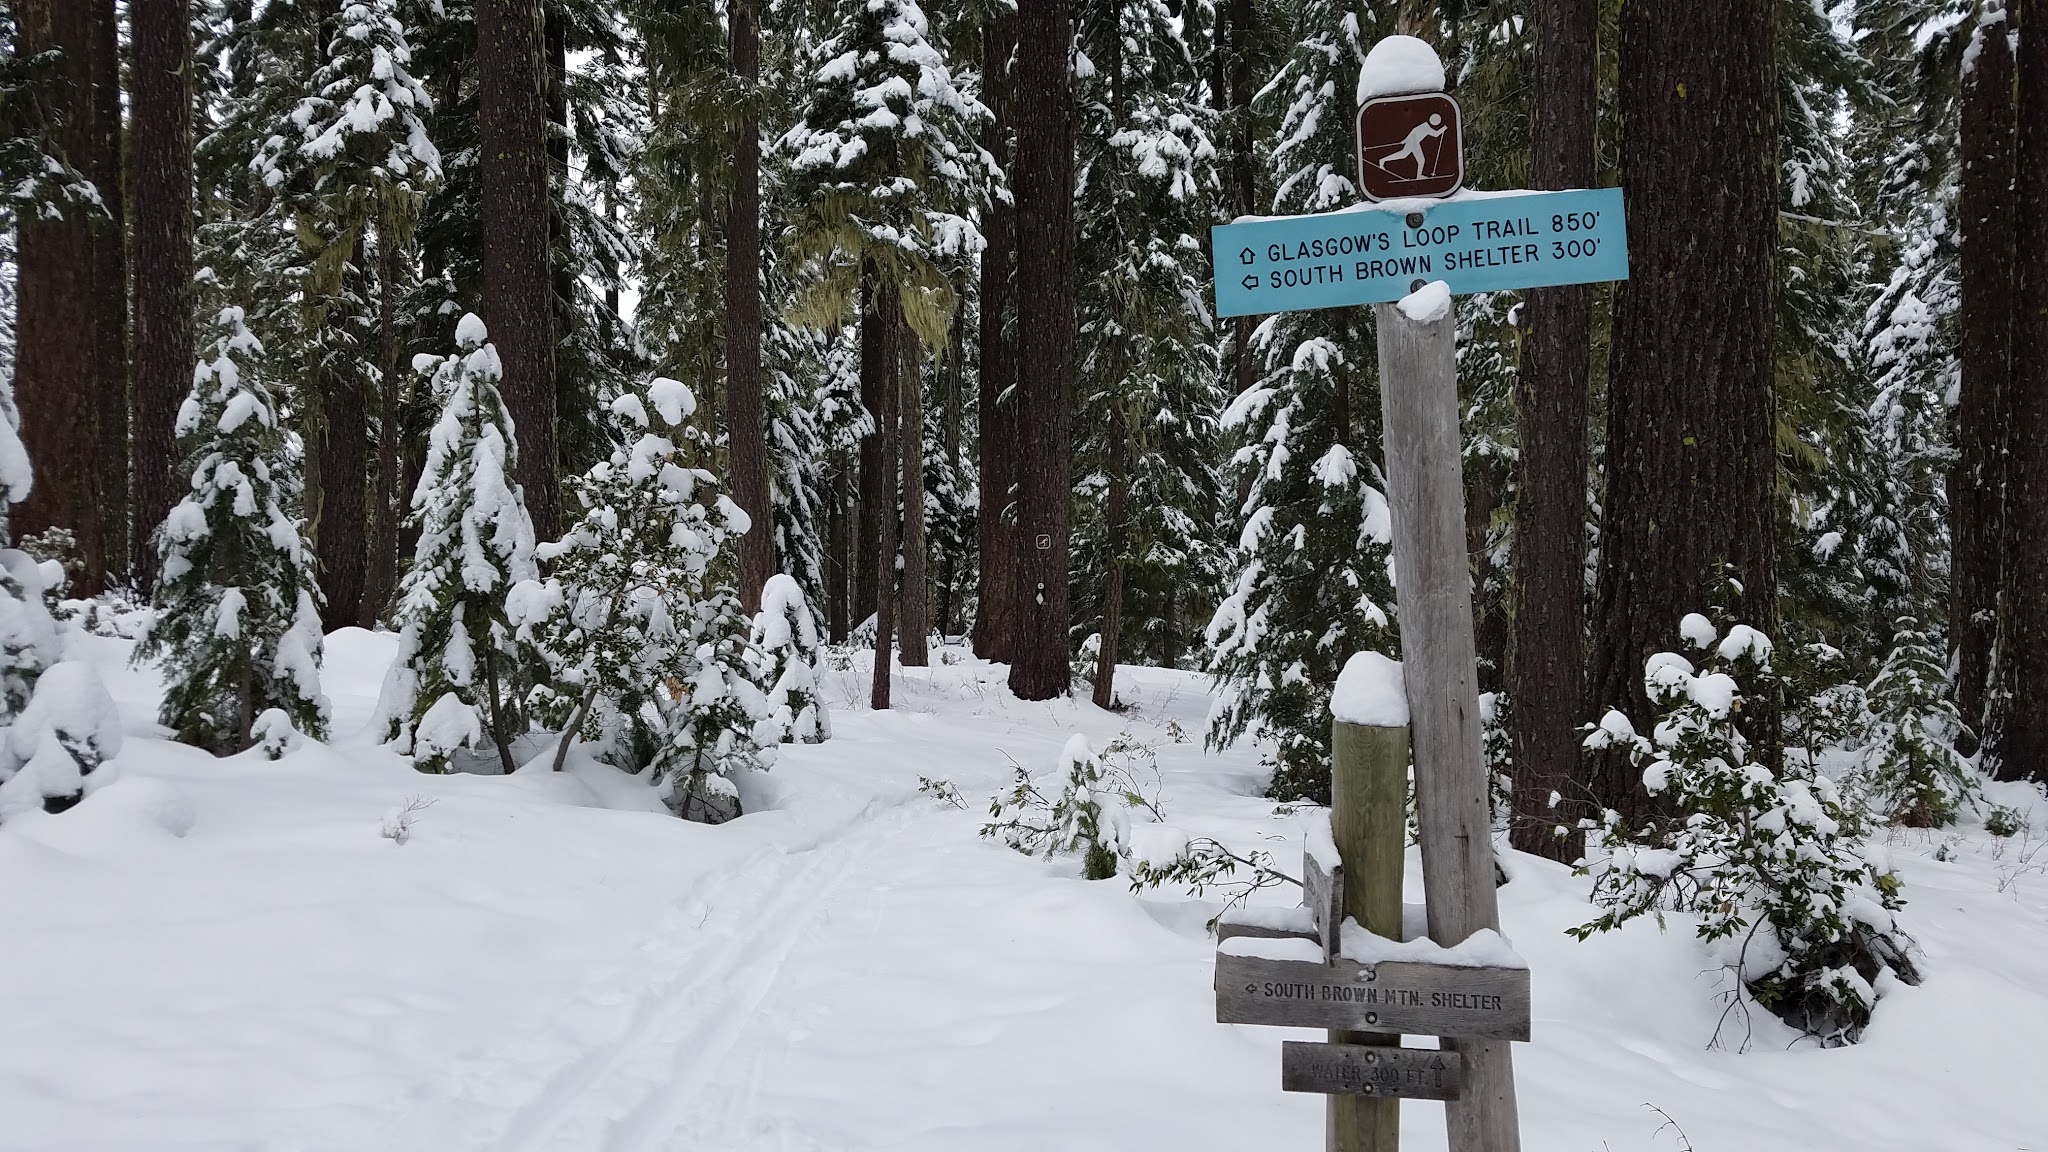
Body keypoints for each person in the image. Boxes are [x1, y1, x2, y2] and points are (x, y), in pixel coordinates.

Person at [1379, 113, 1447, 180]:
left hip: (1412, 141)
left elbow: (1413, 131)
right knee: (1420, 160)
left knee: (1403, 155)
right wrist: (1444, 128)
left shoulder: (1424, 125)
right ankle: (1419, 176)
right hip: (1414, 142)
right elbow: (1435, 134)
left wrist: (1405, 140)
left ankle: (1382, 160)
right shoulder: (1426, 127)